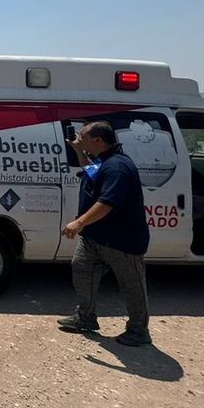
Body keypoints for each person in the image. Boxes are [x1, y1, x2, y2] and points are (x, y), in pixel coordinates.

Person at [57, 121, 152, 346]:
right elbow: (90, 173)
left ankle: (139, 330)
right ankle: (85, 318)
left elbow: (107, 203)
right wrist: (79, 150)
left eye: (84, 137)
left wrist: (78, 223)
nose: (80, 139)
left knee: (132, 285)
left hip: (121, 240)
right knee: (82, 269)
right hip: (95, 237)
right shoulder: (103, 161)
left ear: (98, 140)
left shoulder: (117, 166)